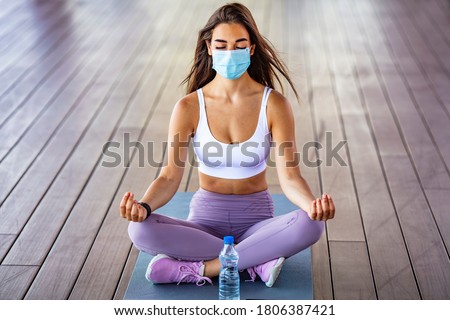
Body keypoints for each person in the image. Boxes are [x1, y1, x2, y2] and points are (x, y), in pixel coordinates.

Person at [120, 3, 335, 288]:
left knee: (311, 224)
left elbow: (290, 176)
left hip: (257, 222)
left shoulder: (274, 104)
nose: (230, 53)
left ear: (252, 49)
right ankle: (255, 261)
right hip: (205, 223)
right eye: (221, 45)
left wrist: (312, 206)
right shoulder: (188, 107)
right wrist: (144, 207)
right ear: (209, 48)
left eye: (239, 45)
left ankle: (202, 268)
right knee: (139, 230)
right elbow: (169, 176)